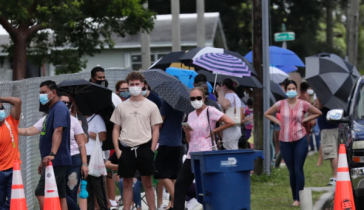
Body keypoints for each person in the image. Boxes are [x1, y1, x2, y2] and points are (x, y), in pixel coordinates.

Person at [18, 92, 88, 204]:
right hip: (57, 160)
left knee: (69, 192)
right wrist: (12, 128)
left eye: (68, 103)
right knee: (59, 193)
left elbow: (82, 144)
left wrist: (84, 164)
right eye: (62, 102)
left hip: (73, 160)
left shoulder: (74, 121)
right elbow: (30, 130)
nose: (65, 105)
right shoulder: (48, 119)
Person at [173, 87, 234, 210]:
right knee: (180, 184)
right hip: (192, 153)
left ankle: (214, 206)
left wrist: (215, 131)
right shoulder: (190, 115)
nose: (195, 100)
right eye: (192, 98)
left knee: (208, 185)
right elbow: (189, 140)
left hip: (206, 153)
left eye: (198, 98)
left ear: (204, 98)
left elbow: (230, 122)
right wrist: (187, 132)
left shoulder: (210, 110)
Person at [264, 80, 322, 207]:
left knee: (298, 169)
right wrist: (278, 122)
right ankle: (294, 196)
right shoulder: (280, 104)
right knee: (291, 171)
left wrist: (305, 119)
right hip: (284, 141)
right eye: (289, 88)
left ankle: (298, 199)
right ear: (285, 91)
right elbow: (267, 113)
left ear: (296, 90)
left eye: (293, 88)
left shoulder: (303, 104)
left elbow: (318, 112)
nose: (291, 90)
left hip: (300, 139)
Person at [111, 71, 163, 210]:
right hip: (126, 148)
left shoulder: (151, 105)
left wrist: (152, 149)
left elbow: (156, 129)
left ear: (143, 85)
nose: (134, 87)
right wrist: (117, 150)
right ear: (128, 86)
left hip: (145, 147)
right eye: (132, 84)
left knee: (147, 184)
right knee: (127, 183)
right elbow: (115, 129)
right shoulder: (121, 106)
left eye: (137, 84)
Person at [35, 80, 71, 210]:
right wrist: (44, 159)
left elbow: (58, 130)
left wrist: (52, 154)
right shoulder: (52, 110)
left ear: (54, 92)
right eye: (40, 93)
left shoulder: (60, 108)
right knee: (61, 196)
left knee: (41, 192)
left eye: (44, 92)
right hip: (53, 160)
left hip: (57, 160)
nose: (41, 96)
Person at [89, 66, 121, 207]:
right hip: (89, 144)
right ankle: (96, 204)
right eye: (99, 78)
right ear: (92, 79)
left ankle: (108, 201)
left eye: (103, 77)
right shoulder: (87, 95)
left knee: (103, 173)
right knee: (91, 178)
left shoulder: (111, 95)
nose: (102, 80)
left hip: (105, 140)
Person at [154, 100, 184, 210]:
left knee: (160, 172)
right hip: (177, 142)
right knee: (173, 175)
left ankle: (178, 200)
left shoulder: (167, 103)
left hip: (166, 142)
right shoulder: (181, 105)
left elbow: (160, 121)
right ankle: (173, 204)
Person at [0, 96, 22, 210]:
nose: (0, 111)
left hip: (13, 169)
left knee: (14, 201)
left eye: (1, 108)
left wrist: (1, 99)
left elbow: (17, 101)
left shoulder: (11, 121)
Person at [85, 112, 108, 210]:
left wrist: (87, 132)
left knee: (98, 185)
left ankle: (103, 207)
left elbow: (103, 136)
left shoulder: (96, 118)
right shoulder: (77, 119)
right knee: (86, 186)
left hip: (95, 156)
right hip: (82, 156)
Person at [314, 97, 338, 186]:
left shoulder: (324, 95)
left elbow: (319, 106)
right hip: (334, 127)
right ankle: (337, 176)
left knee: (332, 154)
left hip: (328, 129)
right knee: (335, 152)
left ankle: (335, 177)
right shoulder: (332, 96)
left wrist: (316, 102)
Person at [216, 78, 242, 150]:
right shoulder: (234, 96)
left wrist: (219, 92)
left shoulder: (229, 95)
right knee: (232, 149)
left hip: (230, 129)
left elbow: (225, 105)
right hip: (234, 128)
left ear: (224, 86)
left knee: (231, 151)